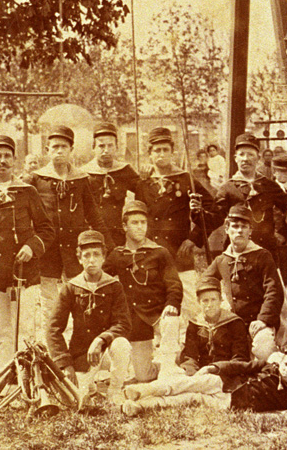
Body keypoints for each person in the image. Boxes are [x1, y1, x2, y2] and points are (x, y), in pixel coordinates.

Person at [0, 134, 54, 369]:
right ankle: (3, 379)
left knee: (24, 328)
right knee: (1, 330)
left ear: (15, 160)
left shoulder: (27, 191)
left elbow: (46, 229)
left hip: (24, 272)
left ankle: (26, 381)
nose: (2, 161)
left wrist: (31, 246)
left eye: (7, 156)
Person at [25, 125, 103, 336]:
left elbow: (93, 214)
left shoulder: (81, 180)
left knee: (81, 297)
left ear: (71, 150)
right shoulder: (36, 180)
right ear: (47, 150)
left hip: (74, 251)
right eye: (55, 147)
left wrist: (107, 246)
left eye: (64, 147)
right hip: (47, 251)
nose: (59, 151)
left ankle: (81, 344)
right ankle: (52, 346)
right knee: (49, 304)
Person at [122, 340, 287, 416]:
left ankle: (141, 407)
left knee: (190, 399)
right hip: (224, 383)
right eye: (286, 364)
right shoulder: (269, 366)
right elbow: (241, 366)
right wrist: (214, 367)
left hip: (230, 403)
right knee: (188, 383)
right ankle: (143, 391)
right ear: (280, 361)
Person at [137, 126, 213, 327]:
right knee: (154, 303)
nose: (161, 155)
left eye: (165, 150)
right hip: (152, 254)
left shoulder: (186, 179)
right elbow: (135, 214)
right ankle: (160, 349)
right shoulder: (144, 182)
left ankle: (193, 347)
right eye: (157, 150)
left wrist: (193, 238)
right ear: (150, 154)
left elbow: (213, 210)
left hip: (180, 253)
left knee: (188, 303)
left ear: (172, 152)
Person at [47, 230, 133, 404]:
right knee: (74, 400)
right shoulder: (71, 288)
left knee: (122, 344)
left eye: (96, 255)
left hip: (108, 351)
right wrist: (65, 363)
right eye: (86, 255)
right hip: (82, 355)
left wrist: (101, 339)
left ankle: (114, 392)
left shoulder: (114, 286)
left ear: (103, 258)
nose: (92, 260)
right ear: (79, 259)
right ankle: (90, 386)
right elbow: (53, 329)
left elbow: (123, 324)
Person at [103, 200, 183, 383]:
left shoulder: (160, 252)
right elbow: (101, 279)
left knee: (171, 321)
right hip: (135, 320)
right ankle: (168, 364)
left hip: (158, 314)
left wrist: (171, 304)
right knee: (143, 375)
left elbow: (174, 284)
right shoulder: (117, 254)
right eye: (134, 223)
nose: (140, 227)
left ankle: (171, 366)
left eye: (143, 223)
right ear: (124, 226)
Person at [201, 203, 284, 361]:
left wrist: (263, 319)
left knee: (263, 348)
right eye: (235, 226)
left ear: (250, 231)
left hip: (259, 321)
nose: (239, 230)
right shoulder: (222, 260)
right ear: (227, 229)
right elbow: (205, 281)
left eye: (244, 227)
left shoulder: (262, 256)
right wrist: (218, 304)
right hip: (233, 322)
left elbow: (274, 291)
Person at [212, 133, 287, 272]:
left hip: (267, 250)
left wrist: (283, 233)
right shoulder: (227, 188)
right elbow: (215, 217)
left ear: (258, 158)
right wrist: (197, 212)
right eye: (241, 154)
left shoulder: (269, 186)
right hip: (238, 251)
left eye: (250, 155)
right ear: (235, 158)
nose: (245, 159)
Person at [81, 121, 142, 251]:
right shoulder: (83, 174)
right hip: (92, 234)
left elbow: (143, 192)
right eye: (101, 146)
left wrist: (146, 178)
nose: (106, 150)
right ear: (93, 147)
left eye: (110, 146)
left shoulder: (124, 170)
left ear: (116, 147)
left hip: (118, 234)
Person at [176, 276, 251, 376]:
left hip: (227, 374)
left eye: (213, 299)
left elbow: (240, 358)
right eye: (205, 301)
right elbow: (190, 357)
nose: (209, 305)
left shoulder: (234, 323)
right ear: (199, 302)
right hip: (201, 375)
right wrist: (191, 372)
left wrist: (215, 369)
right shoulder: (195, 324)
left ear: (220, 300)